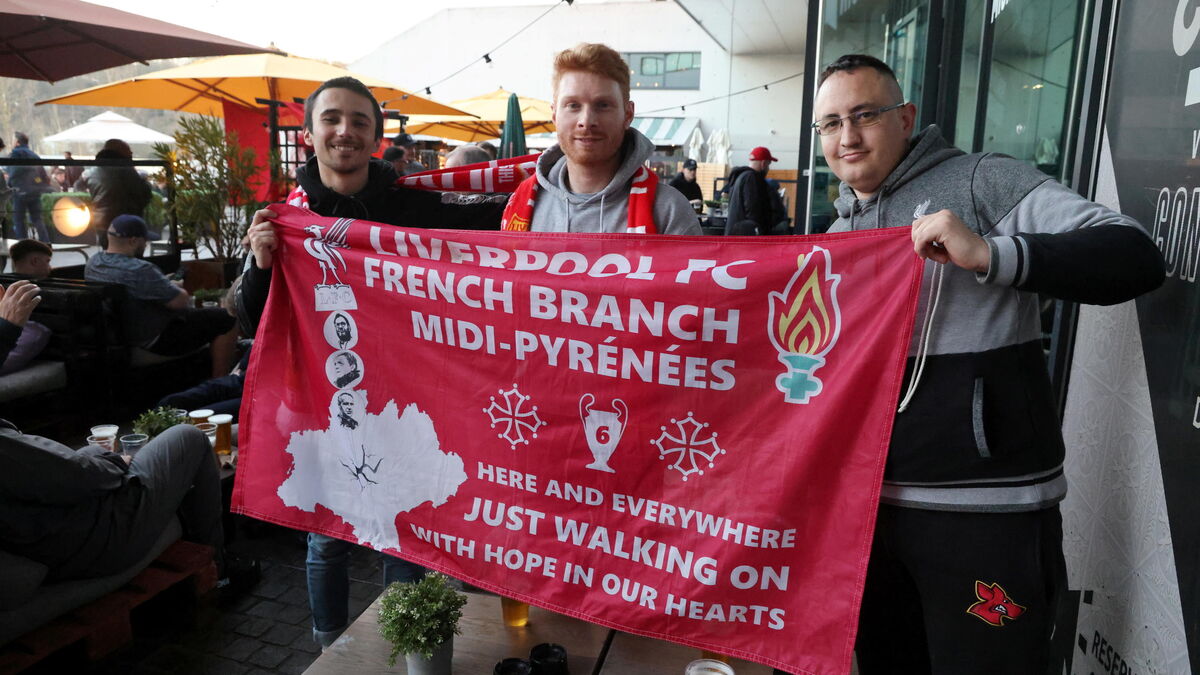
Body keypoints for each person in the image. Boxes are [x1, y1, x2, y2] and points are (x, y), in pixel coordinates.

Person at [812, 54, 1165, 674]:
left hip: (982, 513)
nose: (848, 137)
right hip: (870, 509)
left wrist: (990, 254)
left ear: (906, 117)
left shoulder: (981, 182)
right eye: (831, 122)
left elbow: (1134, 255)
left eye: (865, 114)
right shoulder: (838, 224)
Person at [239, 76, 506, 650]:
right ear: (309, 135)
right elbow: (252, 323)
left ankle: (404, 649)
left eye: (360, 121)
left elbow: (498, 219)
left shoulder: (410, 203)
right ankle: (329, 647)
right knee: (328, 537)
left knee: (403, 530)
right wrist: (262, 266)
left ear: (377, 138)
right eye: (332, 119)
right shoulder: (286, 217)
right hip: (323, 401)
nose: (345, 131)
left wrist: (556, 177)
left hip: (406, 402)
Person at [0, 421, 245, 587]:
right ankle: (218, 570)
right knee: (189, 436)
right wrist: (115, 460)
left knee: (91, 451)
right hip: (94, 539)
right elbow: (80, 474)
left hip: (53, 539)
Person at [501, 43, 699, 235]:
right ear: (554, 115)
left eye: (603, 105)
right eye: (573, 105)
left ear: (628, 114)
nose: (586, 121)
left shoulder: (669, 211)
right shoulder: (522, 201)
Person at [85, 214, 236, 377]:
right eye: (144, 240)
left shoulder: (93, 263)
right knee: (227, 318)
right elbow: (180, 301)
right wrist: (174, 286)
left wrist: (161, 284)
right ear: (133, 241)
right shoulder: (141, 269)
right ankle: (219, 381)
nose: (146, 244)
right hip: (154, 340)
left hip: (116, 340)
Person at [75, 138, 152, 248]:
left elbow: (78, 187)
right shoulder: (126, 170)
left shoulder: (93, 171)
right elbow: (144, 195)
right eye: (128, 150)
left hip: (102, 223)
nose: (131, 153)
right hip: (128, 225)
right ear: (119, 151)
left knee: (109, 255)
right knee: (130, 260)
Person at [724, 146, 784, 235]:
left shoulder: (740, 177)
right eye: (768, 164)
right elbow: (753, 210)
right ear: (763, 164)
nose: (768, 169)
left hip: (736, 236)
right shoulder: (752, 178)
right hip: (747, 239)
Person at [5, 132, 51, 242]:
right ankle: (46, 242)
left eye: (13, 140)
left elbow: (13, 171)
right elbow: (43, 175)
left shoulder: (15, 154)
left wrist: (9, 184)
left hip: (20, 191)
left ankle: (23, 244)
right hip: (35, 192)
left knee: (19, 220)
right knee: (37, 219)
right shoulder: (34, 155)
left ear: (17, 142)